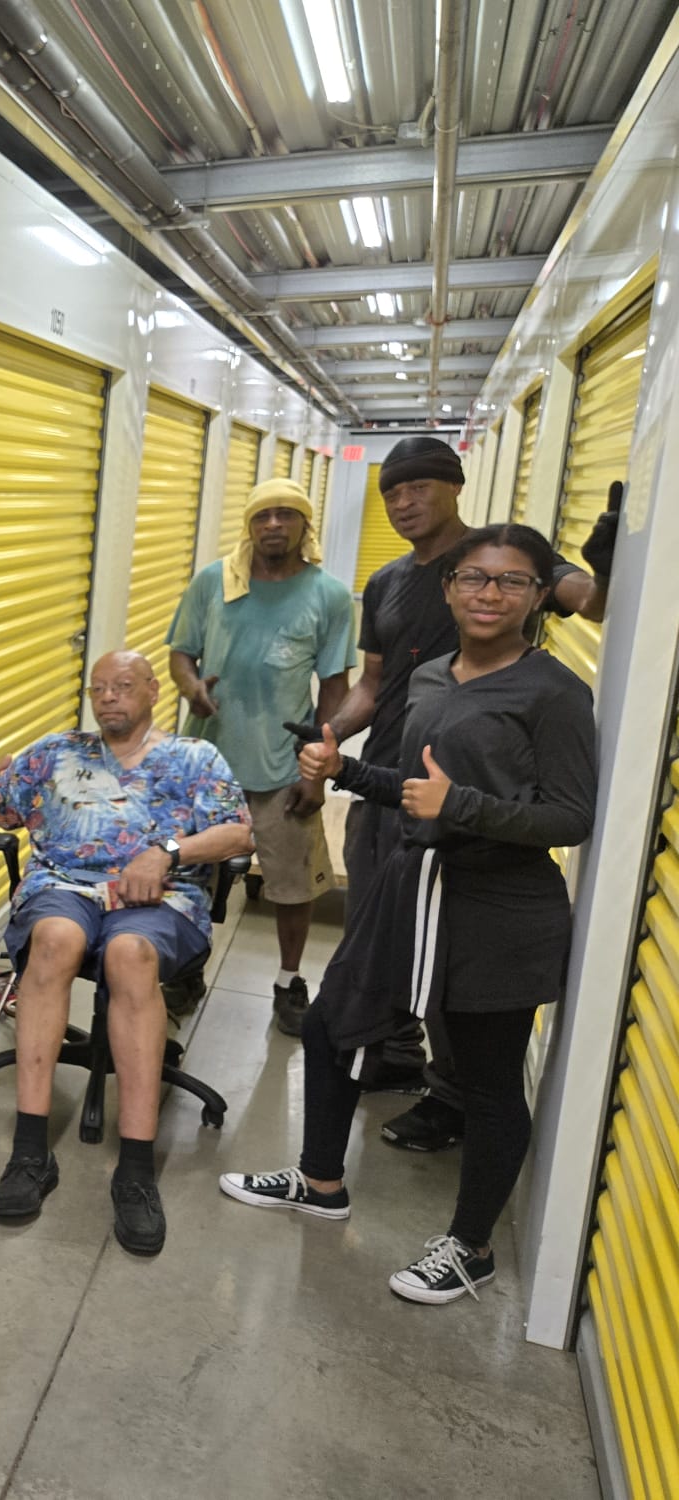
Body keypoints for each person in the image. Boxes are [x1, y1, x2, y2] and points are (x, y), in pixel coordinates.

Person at [221, 524, 597, 1304]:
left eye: (512, 581)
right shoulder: (430, 676)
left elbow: (570, 817)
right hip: (412, 885)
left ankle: (471, 1248)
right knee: (332, 1024)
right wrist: (347, 769)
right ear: (450, 588)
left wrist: (461, 806)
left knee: (486, 1080)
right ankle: (321, 1182)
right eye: (474, 577)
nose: (489, 594)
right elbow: (417, 786)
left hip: (497, 907)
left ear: (538, 597)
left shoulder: (555, 693)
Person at [321, 436, 607, 1151]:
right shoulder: (386, 582)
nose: (404, 502)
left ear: (455, 486)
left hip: (469, 810)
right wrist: (332, 743)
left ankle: (452, 1096)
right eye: (392, 491)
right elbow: (372, 684)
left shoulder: (501, 561)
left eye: (419, 486)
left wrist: (610, 558)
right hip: (388, 785)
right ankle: (391, 1051)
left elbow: (591, 602)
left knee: (458, 963)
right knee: (377, 937)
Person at [0, 651, 252, 1255]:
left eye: (123, 685)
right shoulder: (55, 753)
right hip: (64, 888)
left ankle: (135, 1171)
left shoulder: (194, 757)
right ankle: (30, 1153)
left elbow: (240, 833)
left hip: (159, 896)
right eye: (99, 688)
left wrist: (166, 852)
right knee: (54, 940)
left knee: (129, 955)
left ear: (153, 692)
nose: (109, 696)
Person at [168, 478, 355, 1037]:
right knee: (188, 874)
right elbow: (181, 654)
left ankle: (288, 980)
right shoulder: (215, 581)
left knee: (293, 882)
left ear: (304, 525)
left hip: (282, 766)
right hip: (206, 762)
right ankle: (184, 971)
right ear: (249, 525)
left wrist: (318, 767)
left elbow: (335, 687)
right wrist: (191, 688)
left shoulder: (328, 595)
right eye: (262, 516)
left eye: (286, 515)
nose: (273, 525)